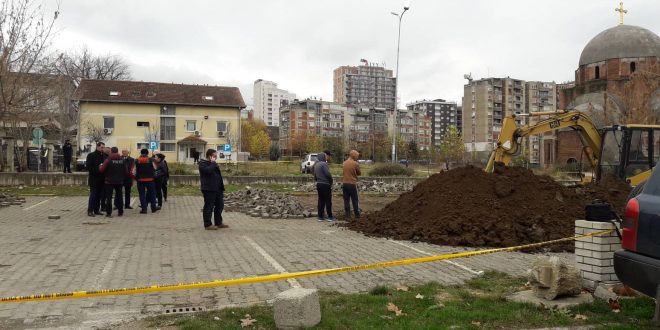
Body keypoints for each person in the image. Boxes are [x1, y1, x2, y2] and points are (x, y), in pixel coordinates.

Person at [198, 149, 228, 230]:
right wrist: (213, 163)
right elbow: (207, 171)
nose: (216, 157)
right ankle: (207, 224)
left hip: (217, 188)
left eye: (216, 155)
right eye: (214, 156)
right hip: (208, 189)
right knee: (209, 206)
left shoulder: (213, 164)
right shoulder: (202, 163)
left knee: (220, 205)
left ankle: (218, 222)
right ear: (209, 156)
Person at [99, 147, 127, 217]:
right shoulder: (122, 160)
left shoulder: (108, 160)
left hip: (109, 181)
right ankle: (120, 212)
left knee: (109, 198)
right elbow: (126, 171)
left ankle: (109, 213)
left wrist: (100, 166)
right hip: (119, 181)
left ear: (111, 151)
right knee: (120, 197)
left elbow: (101, 170)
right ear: (117, 151)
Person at [131, 148, 159, 214]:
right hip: (150, 180)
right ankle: (153, 208)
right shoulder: (151, 160)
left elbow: (132, 172)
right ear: (147, 153)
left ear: (141, 153)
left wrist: (136, 178)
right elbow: (156, 168)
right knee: (152, 194)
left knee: (142, 195)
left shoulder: (136, 160)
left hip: (140, 180)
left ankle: (144, 209)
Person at [313, 151, 335, 222]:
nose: (326, 157)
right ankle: (330, 216)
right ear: (323, 157)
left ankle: (320, 216)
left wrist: (318, 180)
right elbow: (327, 174)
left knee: (321, 200)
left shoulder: (316, 165)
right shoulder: (324, 164)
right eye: (324, 156)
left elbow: (315, 176)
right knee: (328, 201)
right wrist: (331, 180)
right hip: (325, 184)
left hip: (319, 184)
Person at [86, 142, 106, 217]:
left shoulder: (104, 156)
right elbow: (88, 167)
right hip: (94, 179)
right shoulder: (91, 155)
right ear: (97, 147)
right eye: (101, 147)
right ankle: (90, 210)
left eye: (104, 147)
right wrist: (98, 170)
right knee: (93, 195)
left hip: (102, 179)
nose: (103, 149)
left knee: (99, 195)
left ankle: (97, 210)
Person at [342, 150, 361, 221]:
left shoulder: (344, 163)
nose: (357, 157)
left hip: (345, 184)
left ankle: (347, 216)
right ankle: (357, 216)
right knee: (355, 200)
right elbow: (359, 173)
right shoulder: (355, 163)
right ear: (353, 155)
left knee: (346, 200)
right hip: (352, 184)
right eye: (357, 156)